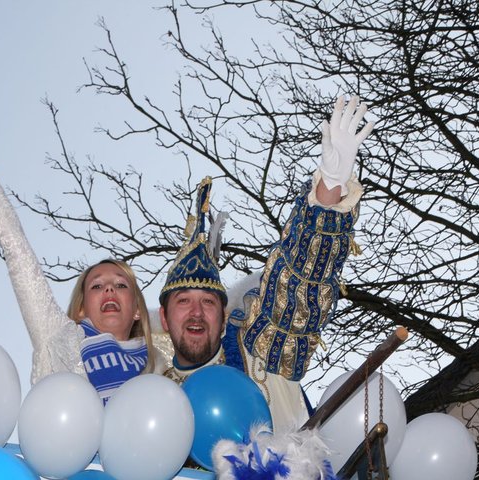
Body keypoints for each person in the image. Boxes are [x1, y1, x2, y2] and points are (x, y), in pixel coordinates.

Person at [159, 96, 374, 432]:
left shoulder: (260, 347)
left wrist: (331, 185)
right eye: (183, 301)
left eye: (208, 302)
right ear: (163, 317)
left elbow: (301, 283)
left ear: (224, 315)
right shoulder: (154, 393)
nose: (197, 312)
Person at [0, 122, 165, 402]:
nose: (109, 289)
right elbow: (17, 252)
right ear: (81, 309)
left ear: (137, 310)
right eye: (96, 286)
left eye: (121, 285)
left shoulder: (161, 366)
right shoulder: (59, 337)